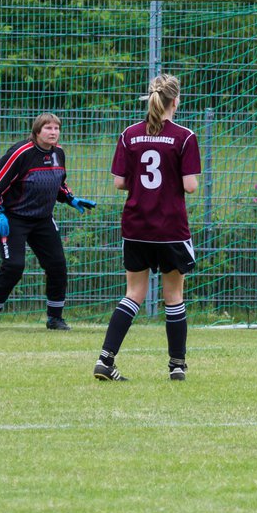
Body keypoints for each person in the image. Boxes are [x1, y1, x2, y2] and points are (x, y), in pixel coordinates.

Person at [94, 74, 201, 382]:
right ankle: (177, 366)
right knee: (174, 294)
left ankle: (105, 360)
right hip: (169, 227)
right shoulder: (184, 137)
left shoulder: (130, 134)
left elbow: (119, 182)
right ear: (175, 101)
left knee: (133, 292)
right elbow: (190, 186)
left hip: (136, 225)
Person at [0, 113, 96, 330]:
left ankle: (55, 318)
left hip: (43, 219)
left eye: (56, 128)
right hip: (14, 218)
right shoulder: (21, 153)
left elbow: (58, 182)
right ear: (37, 132)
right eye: (48, 128)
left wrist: (70, 197)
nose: (53, 132)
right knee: (14, 266)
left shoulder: (59, 153)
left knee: (57, 265)